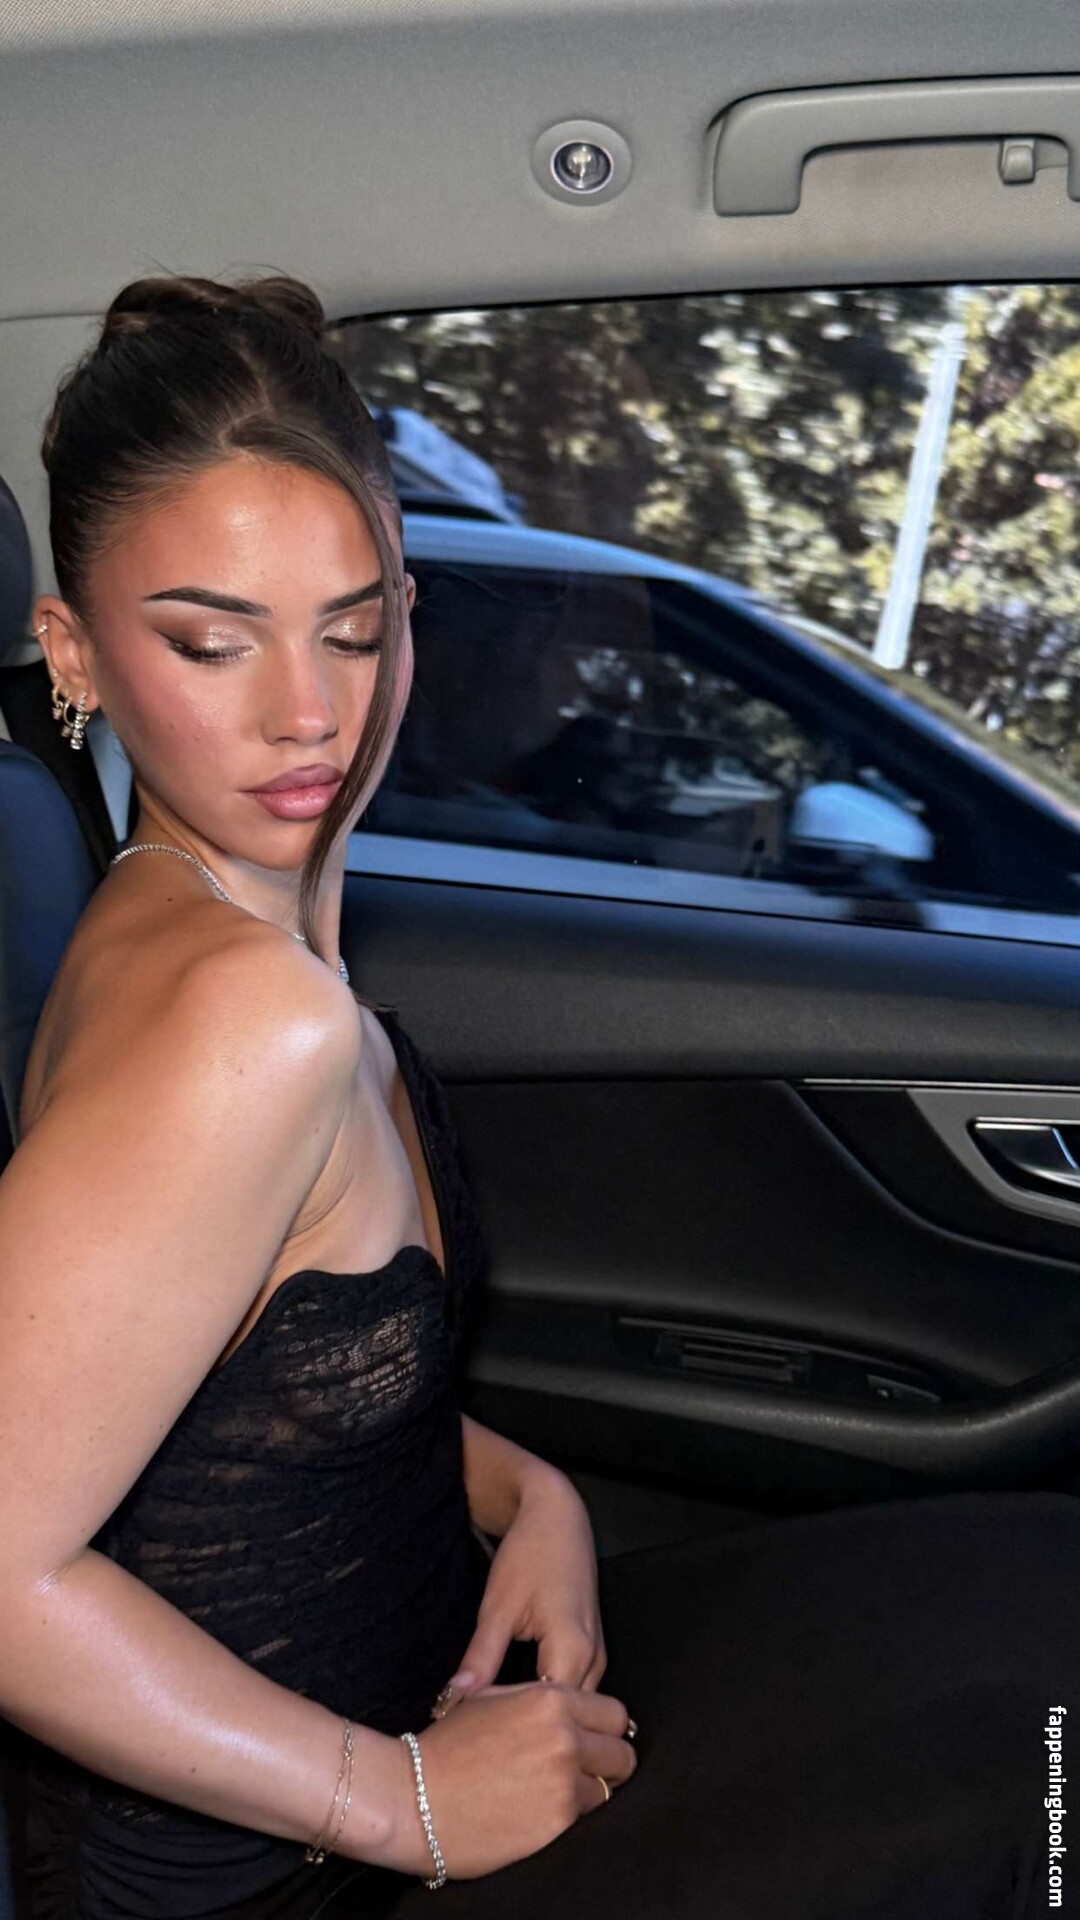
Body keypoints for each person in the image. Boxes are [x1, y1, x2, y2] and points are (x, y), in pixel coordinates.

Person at [0, 272, 1072, 1920]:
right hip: (282, 1861)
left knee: (1033, 1594)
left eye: (356, 628)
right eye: (211, 642)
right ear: (72, 651)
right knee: (1035, 1785)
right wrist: (407, 1804)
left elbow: (232, 1394)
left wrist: (527, 1494)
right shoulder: (242, 1020)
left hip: (422, 1674)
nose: (309, 712)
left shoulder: (223, 923)